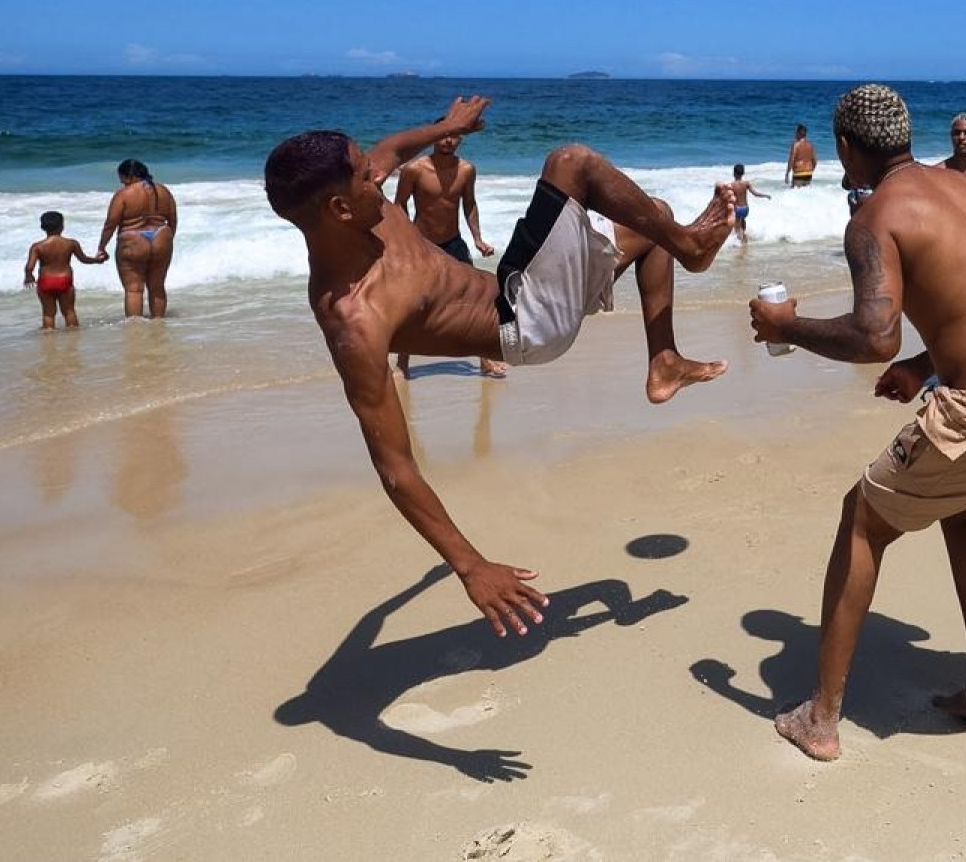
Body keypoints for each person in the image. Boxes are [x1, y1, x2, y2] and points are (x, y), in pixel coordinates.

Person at [263, 98, 735, 634]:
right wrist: (469, 566)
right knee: (571, 163)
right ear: (338, 209)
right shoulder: (355, 319)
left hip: (522, 286)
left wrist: (449, 126)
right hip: (527, 326)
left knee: (651, 215)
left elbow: (392, 148)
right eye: (365, 178)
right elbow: (396, 467)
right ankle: (695, 251)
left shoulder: (365, 211)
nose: (378, 176)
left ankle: (664, 361)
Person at [748, 84, 966, 763]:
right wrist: (923, 362)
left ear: (845, 147)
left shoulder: (873, 216)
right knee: (957, 507)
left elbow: (872, 334)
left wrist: (787, 326)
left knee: (863, 517)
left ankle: (820, 717)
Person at [393, 133, 502, 379]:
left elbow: (470, 204)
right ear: (435, 138)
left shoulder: (466, 170)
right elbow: (399, 203)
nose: (448, 141)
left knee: (475, 299)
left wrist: (477, 238)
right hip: (421, 243)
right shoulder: (414, 169)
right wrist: (406, 237)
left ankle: (485, 359)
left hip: (453, 241)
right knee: (412, 303)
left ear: (460, 141)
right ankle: (402, 363)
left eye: (455, 137)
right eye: (443, 136)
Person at [97, 158, 177, 319]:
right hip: (161, 234)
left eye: (123, 180)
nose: (123, 184)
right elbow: (173, 219)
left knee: (134, 289)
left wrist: (102, 247)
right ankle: (158, 325)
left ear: (129, 176)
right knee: (157, 286)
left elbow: (110, 224)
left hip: (132, 238)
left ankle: (135, 331)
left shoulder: (123, 194)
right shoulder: (163, 190)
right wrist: (168, 240)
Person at [24, 211, 106, 330]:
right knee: (69, 311)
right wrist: (97, 260)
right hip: (64, 280)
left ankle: (49, 340)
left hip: (46, 281)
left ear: (42, 227)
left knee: (48, 314)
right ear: (62, 225)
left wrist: (29, 276)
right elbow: (83, 259)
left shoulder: (37, 246)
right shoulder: (71, 243)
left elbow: (29, 267)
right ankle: (73, 339)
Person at [729, 164, 771, 243]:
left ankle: (739, 243)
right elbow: (755, 194)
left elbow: (728, 198)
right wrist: (765, 195)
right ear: (743, 173)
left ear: (734, 173)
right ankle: (745, 236)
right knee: (743, 221)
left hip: (737, 209)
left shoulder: (731, 185)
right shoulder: (746, 183)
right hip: (745, 209)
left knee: (737, 227)